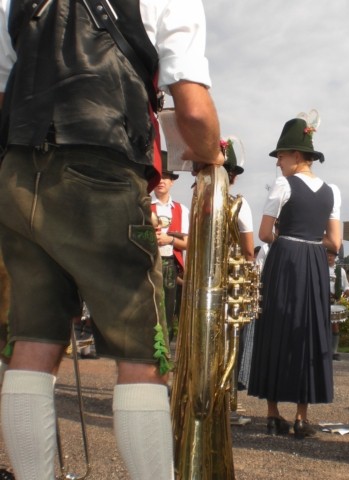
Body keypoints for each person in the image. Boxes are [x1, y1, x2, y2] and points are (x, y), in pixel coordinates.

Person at [0, 0, 222, 477]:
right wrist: (212, 160)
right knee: (140, 353)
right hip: (102, 167)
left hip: (17, 171)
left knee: (32, 343)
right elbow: (195, 110)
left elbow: (3, 95)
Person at [248, 115, 341, 440]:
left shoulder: (283, 185)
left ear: (297, 156)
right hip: (315, 261)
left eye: (281, 157)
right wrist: (313, 242)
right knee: (310, 329)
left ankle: (273, 414)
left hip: (286, 259)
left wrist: (285, 236)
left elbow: (263, 233)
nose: (278, 163)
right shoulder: (333, 191)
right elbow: (336, 242)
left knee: (277, 326)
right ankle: (302, 417)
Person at [152, 166, 189, 342]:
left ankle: (164, 353)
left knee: (167, 310)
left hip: (169, 264)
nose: (161, 181)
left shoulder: (182, 209)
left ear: (172, 181)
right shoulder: (143, 206)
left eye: (165, 177)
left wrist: (169, 240)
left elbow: (188, 244)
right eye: (158, 177)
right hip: (147, 264)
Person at [328, 248, 349, 361]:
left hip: (334, 301)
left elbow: (345, 285)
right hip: (321, 300)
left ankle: (334, 351)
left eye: (331, 255)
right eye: (327, 255)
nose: (329, 257)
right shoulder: (320, 268)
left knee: (335, 325)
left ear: (335, 257)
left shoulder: (340, 271)